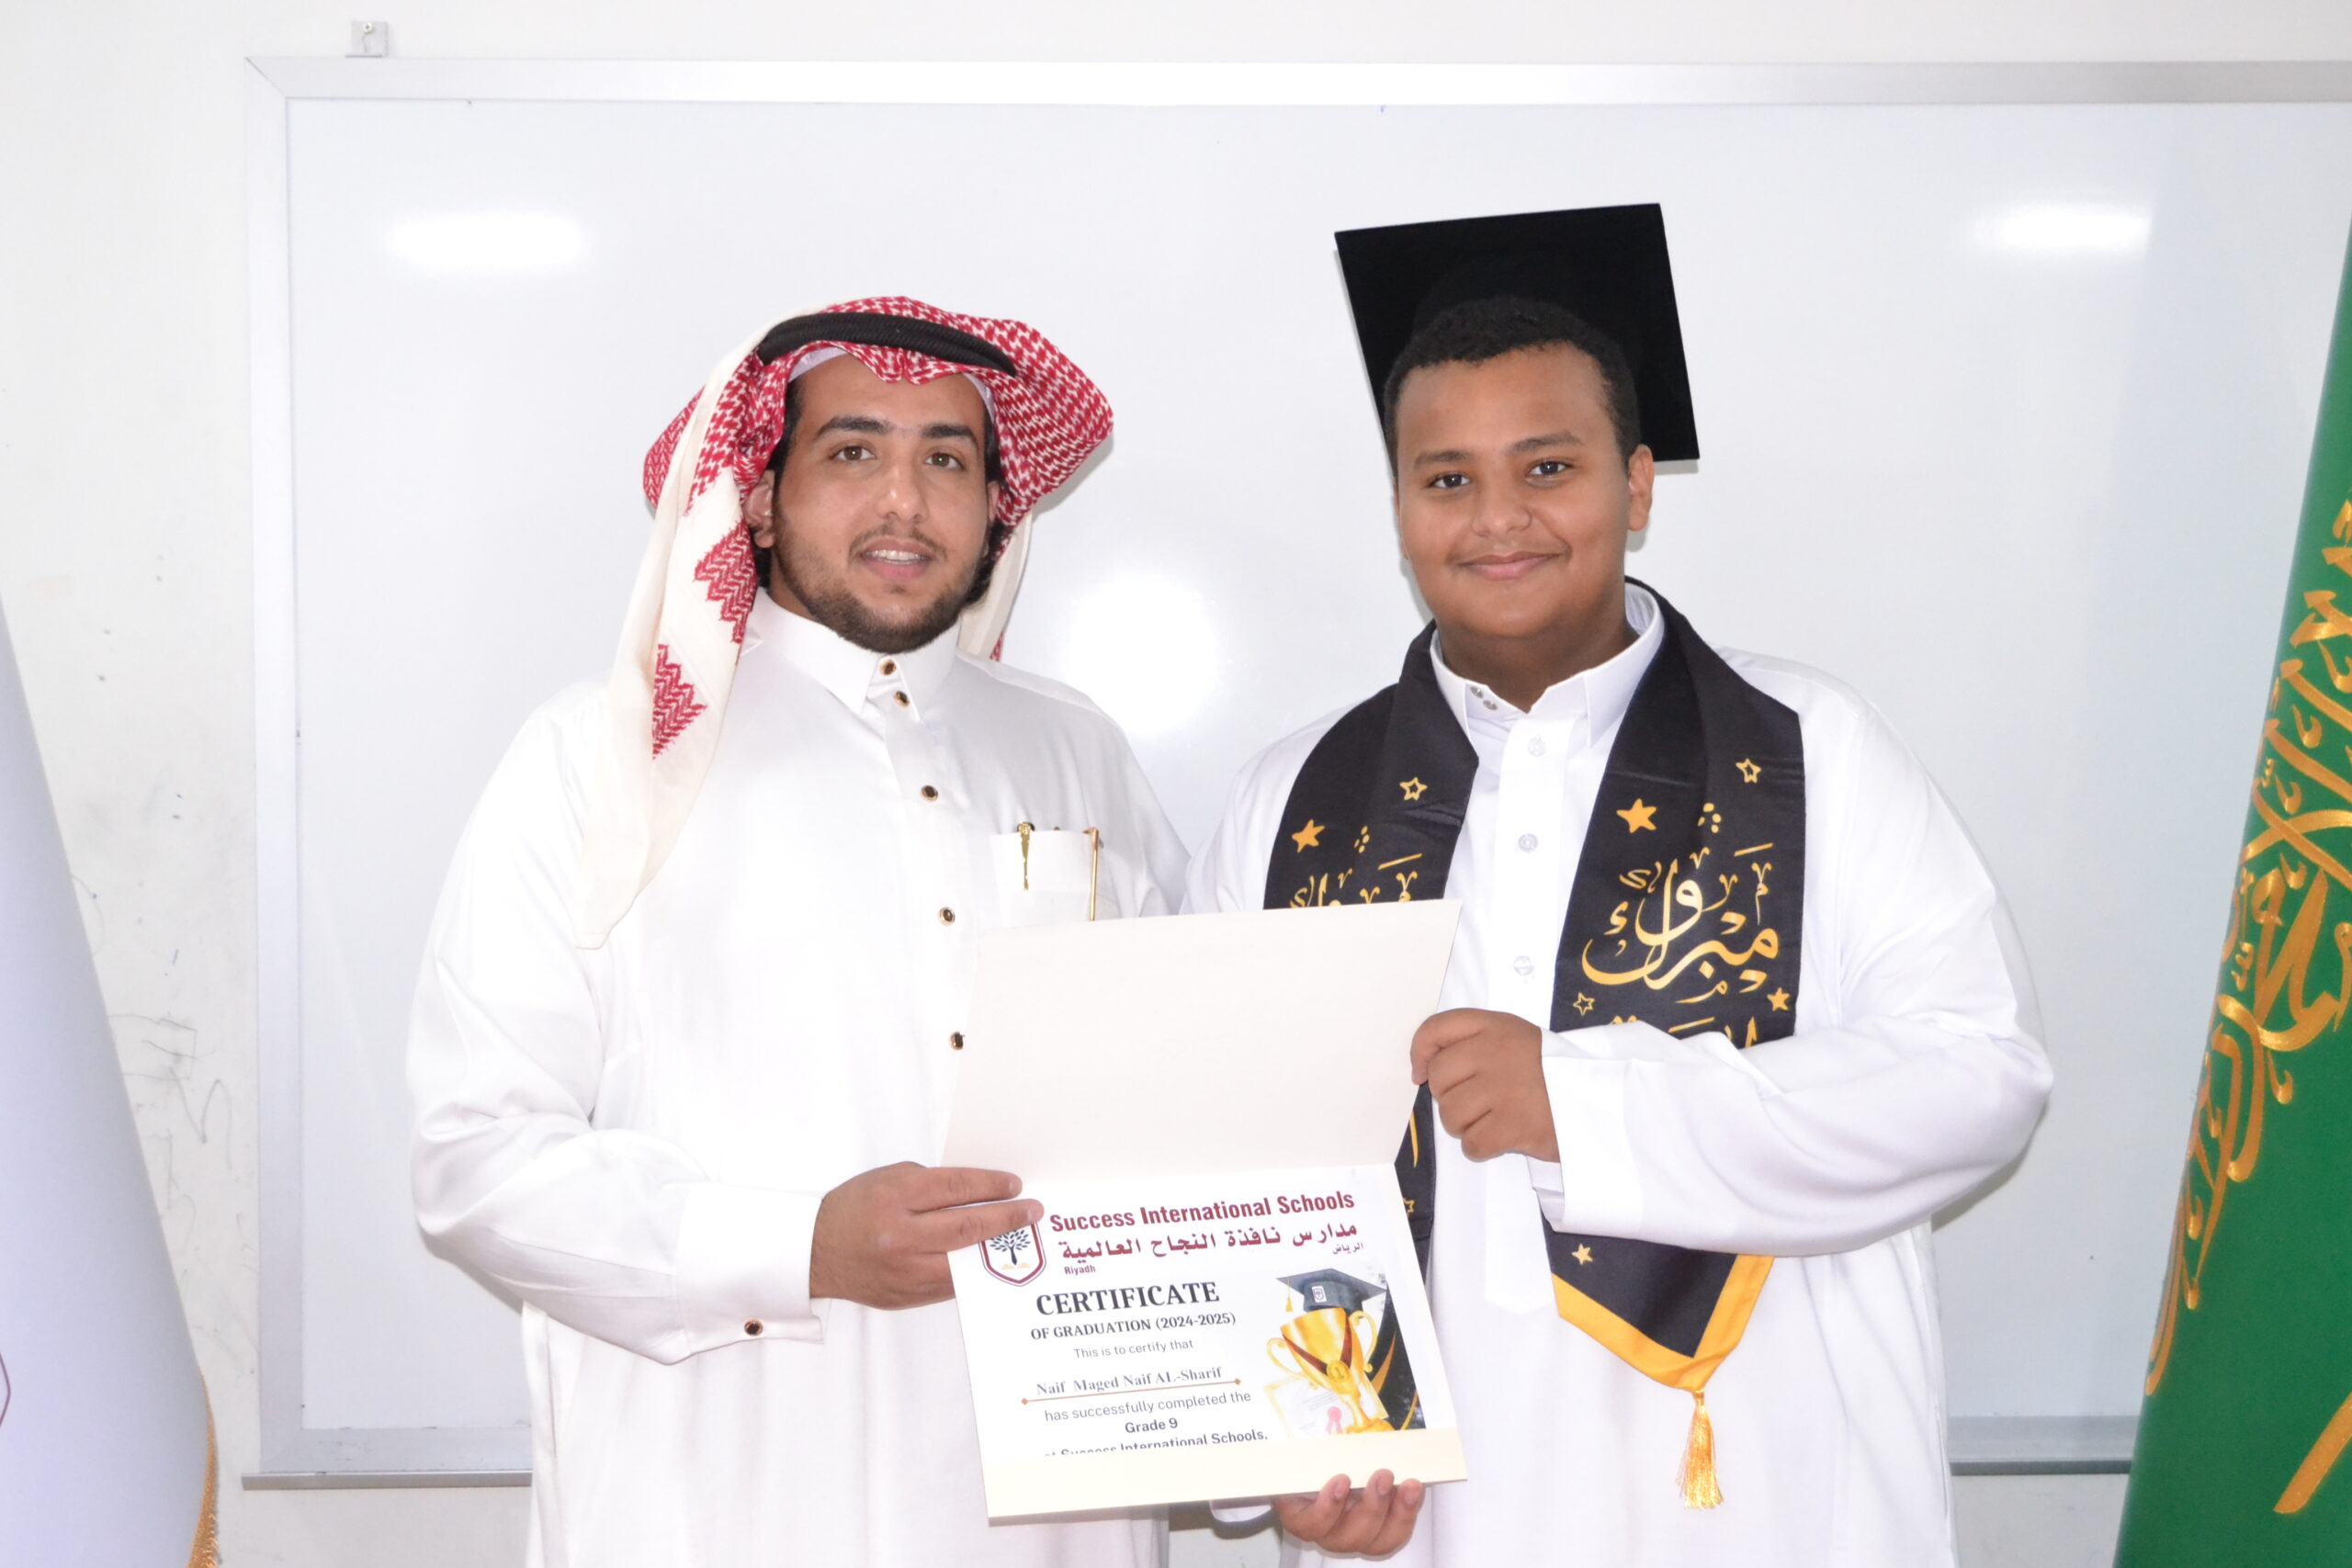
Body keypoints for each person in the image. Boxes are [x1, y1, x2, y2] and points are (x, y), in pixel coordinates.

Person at [1188, 207, 2052, 1565]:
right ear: (1400, 507)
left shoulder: (1812, 748)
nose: (1499, 519)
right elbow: (1217, 1159)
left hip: (1758, 1493)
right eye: (1447, 479)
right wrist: (1277, 1449)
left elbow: (1981, 1076)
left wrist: (1588, 1107)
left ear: (1638, 487)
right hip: (1421, 1522)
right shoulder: (1293, 796)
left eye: (1549, 467)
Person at [409, 299, 1186, 1568]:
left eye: (948, 459)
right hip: (723, 1500)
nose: (905, 503)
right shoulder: (596, 757)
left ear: (997, 503)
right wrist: (799, 1247)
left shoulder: (1074, 748)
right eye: (852, 451)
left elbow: (1187, 1111)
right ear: (760, 496)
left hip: (1048, 1515)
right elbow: (475, 1158)